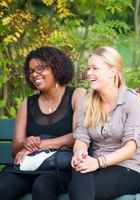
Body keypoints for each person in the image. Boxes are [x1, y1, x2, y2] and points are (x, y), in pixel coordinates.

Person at [0, 46, 86, 200]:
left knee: (42, 187)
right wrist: (26, 143)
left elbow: (78, 136)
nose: (34, 74)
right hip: (29, 167)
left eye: (40, 68)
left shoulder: (76, 95)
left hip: (61, 167)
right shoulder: (28, 104)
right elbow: (15, 149)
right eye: (31, 71)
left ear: (56, 67)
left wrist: (38, 144)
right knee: (3, 186)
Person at [68, 46, 140, 200]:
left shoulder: (132, 101)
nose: (89, 73)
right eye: (88, 68)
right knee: (79, 172)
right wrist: (79, 153)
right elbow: (81, 139)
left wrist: (98, 162)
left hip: (129, 169)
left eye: (95, 68)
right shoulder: (87, 101)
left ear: (112, 72)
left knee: (78, 190)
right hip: (96, 166)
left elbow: (130, 149)